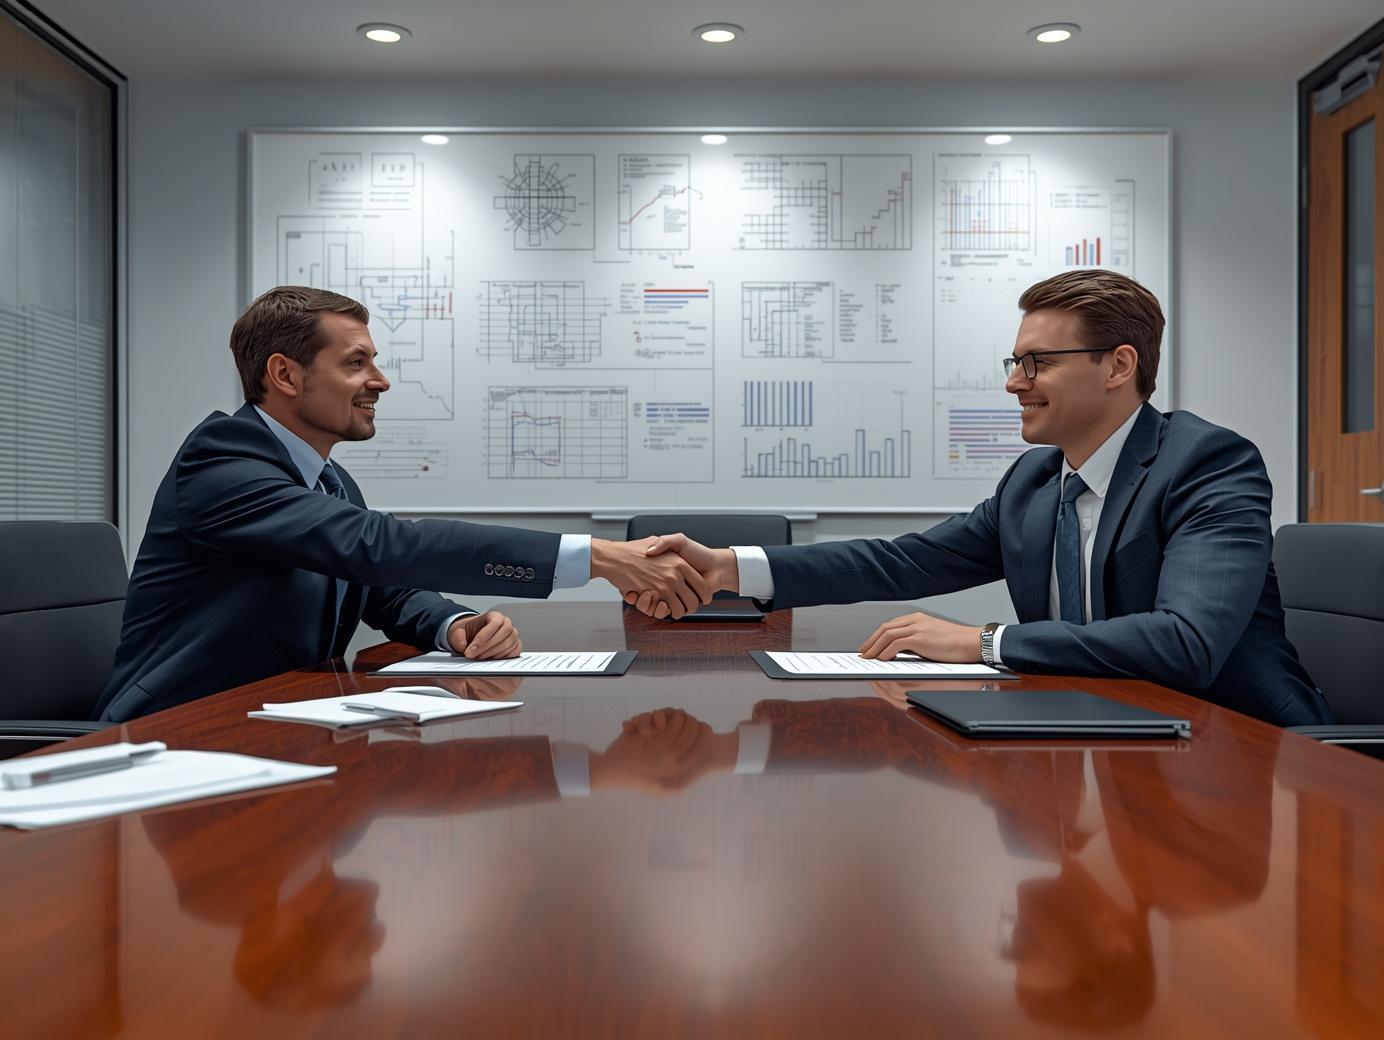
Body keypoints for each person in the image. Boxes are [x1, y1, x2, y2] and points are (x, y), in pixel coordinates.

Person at [635, 270, 1330, 726]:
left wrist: (984, 641)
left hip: (1242, 755)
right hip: (1095, 732)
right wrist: (729, 568)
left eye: (1038, 364)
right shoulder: (1033, 483)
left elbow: (1187, 644)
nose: (1014, 384)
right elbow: (898, 563)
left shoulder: (1206, 464)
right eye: (1015, 363)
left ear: (1119, 365)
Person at [95, 286, 711, 722]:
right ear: (285, 376)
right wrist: (597, 557)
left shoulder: (328, 481)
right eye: (356, 363)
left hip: (282, 722)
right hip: (179, 734)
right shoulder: (222, 461)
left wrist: (454, 624)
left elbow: (381, 583)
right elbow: (380, 546)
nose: (381, 382)